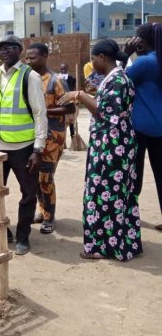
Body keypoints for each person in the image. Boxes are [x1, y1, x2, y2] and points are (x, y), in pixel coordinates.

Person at [58, 39, 142, 261]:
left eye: (93, 58)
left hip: (112, 146)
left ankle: (106, 247)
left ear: (103, 57)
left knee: (105, 194)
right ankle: (121, 243)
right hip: (112, 144)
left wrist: (80, 95)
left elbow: (106, 113)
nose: (91, 63)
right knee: (116, 194)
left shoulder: (118, 80)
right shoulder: (115, 77)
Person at [0, 36, 47, 255]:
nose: (5, 51)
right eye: (1, 48)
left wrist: (38, 149)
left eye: (10, 47)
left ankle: (23, 236)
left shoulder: (30, 76)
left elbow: (40, 114)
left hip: (22, 148)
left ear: (20, 50)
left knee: (28, 193)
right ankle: (2, 230)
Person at [26, 43, 75, 234]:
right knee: (36, 177)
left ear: (45, 56)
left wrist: (44, 111)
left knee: (45, 177)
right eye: (27, 58)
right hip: (33, 136)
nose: (29, 61)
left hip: (52, 137)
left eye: (33, 58)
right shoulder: (29, 79)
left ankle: (49, 217)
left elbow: (70, 107)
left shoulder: (56, 81)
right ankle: (43, 210)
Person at [123, 23, 162, 230]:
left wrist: (125, 54)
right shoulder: (157, 59)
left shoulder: (145, 62)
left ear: (141, 43)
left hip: (140, 127)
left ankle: (130, 218)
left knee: (134, 174)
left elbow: (120, 82)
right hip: (159, 127)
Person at [59, 63, 77, 141]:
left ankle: (73, 138)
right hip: (61, 101)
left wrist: (75, 99)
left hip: (70, 101)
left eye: (65, 69)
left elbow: (74, 89)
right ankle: (63, 141)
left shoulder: (71, 78)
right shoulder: (57, 78)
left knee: (71, 121)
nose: (63, 70)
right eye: (62, 69)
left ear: (67, 69)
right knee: (62, 121)